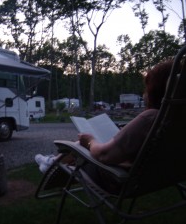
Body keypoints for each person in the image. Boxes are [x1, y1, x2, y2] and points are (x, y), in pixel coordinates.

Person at [35, 59, 179, 193]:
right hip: (160, 177)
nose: (144, 93)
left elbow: (104, 155)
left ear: (156, 90)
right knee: (92, 141)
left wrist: (90, 141)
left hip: (115, 179)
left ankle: (51, 162)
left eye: (146, 88)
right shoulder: (175, 120)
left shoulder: (152, 118)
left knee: (80, 144)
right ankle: (52, 161)